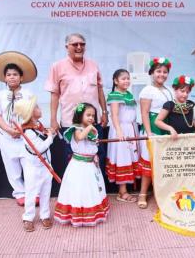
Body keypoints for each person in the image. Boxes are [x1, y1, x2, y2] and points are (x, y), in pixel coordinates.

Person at [44, 33, 108, 172]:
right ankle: (76, 191)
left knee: (97, 156)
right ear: (67, 47)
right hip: (70, 122)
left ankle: (96, 190)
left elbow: (100, 90)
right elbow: (54, 95)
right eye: (75, 44)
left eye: (82, 44)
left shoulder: (93, 65)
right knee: (72, 157)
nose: (79, 47)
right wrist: (53, 119)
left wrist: (104, 112)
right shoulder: (57, 66)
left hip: (93, 121)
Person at [0, 51, 37, 206]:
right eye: (9, 74)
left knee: (30, 165)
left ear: (21, 77)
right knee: (12, 167)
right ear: (4, 78)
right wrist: (8, 129)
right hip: (6, 137)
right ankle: (19, 193)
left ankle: (33, 192)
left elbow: (35, 114)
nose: (12, 77)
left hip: (25, 136)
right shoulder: (0, 95)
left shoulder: (28, 93)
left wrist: (24, 127)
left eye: (15, 74)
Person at [54, 103, 109, 227]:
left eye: (93, 116)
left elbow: (91, 145)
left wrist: (94, 154)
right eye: (88, 115)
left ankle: (90, 213)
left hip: (90, 165)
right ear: (80, 116)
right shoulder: (76, 128)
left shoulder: (91, 129)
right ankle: (78, 215)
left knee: (90, 189)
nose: (91, 118)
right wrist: (90, 128)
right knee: (79, 189)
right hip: (79, 166)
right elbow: (79, 138)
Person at [14, 96, 55, 232]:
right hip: (33, 166)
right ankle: (28, 217)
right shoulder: (28, 131)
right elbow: (39, 148)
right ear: (30, 114)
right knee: (31, 192)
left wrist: (49, 133)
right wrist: (50, 137)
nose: (39, 108)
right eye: (36, 107)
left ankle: (45, 215)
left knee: (45, 191)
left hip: (45, 165)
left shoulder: (38, 125)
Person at [138, 57, 173, 209]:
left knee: (164, 163)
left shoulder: (169, 90)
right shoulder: (147, 90)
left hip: (166, 126)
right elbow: (145, 113)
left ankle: (162, 193)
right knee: (149, 161)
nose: (162, 74)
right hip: (153, 126)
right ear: (152, 73)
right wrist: (149, 131)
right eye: (158, 71)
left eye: (165, 72)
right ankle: (143, 194)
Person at [106, 69, 140, 202]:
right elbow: (114, 115)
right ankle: (122, 191)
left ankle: (126, 189)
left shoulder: (128, 94)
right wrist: (119, 131)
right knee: (122, 158)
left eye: (128, 78)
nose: (126, 81)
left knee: (130, 157)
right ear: (116, 81)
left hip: (131, 128)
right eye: (123, 79)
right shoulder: (115, 95)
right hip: (121, 130)